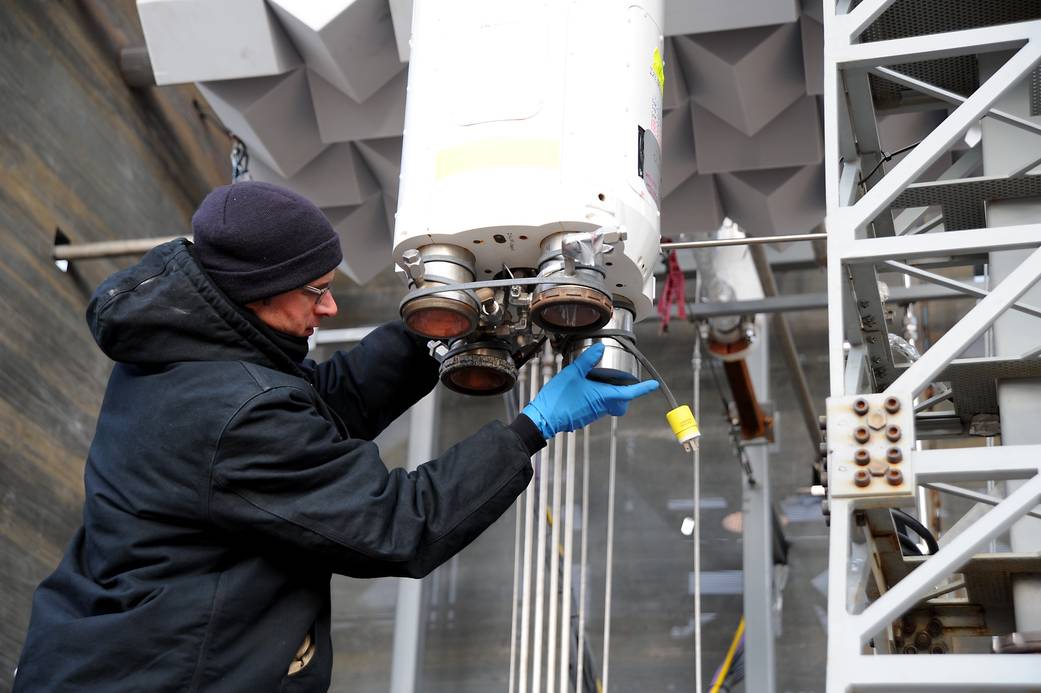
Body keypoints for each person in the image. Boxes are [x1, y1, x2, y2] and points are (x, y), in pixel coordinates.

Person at [14, 181, 658, 691]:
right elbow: (398, 525)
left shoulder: (191, 346)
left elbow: (320, 404)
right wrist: (531, 427)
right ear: (254, 294)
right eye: (316, 292)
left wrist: (438, 322)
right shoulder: (233, 414)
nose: (330, 308)